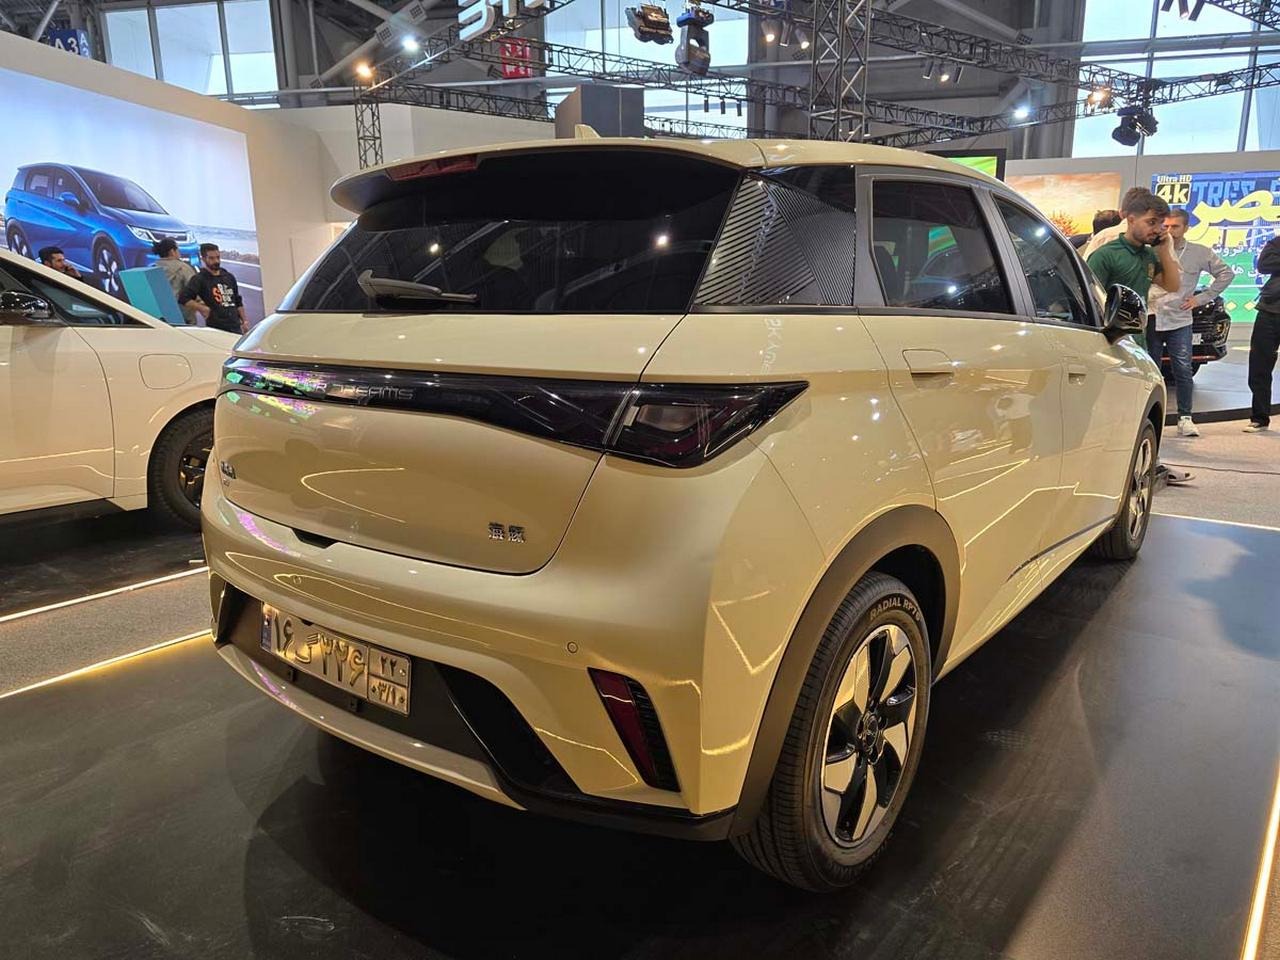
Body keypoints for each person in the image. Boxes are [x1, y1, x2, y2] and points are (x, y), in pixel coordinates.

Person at [1087, 188, 1193, 484]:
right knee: (1107, 410)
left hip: (1139, 342)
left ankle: (1138, 467)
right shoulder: (1107, 254)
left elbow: (1172, 285)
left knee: (1136, 410)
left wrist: (1164, 248)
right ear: (1130, 219)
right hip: (1109, 342)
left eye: (1160, 224)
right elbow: (1090, 296)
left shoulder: (1149, 255)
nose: (1157, 229)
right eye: (1151, 222)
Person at [1147, 208, 1233, 438]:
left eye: (1175, 226)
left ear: (1186, 228)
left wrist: (1201, 298)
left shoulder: (1198, 252)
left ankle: (1185, 417)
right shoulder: (1150, 250)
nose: (1169, 230)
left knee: (1183, 369)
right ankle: (1148, 417)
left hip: (1180, 319)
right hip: (1151, 316)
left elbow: (1226, 273)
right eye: (1165, 226)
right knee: (1150, 369)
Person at [1245, 233, 1280, 432]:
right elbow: (1264, 265)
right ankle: (1259, 417)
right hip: (1269, 311)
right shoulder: (1277, 242)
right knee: (1259, 365)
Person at [179, 243, 246, 334]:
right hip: (216, 327)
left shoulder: (229, 277)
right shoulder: (200, 279)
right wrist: (202, 308)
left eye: (218, 257)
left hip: (235, 326)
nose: (216, 261)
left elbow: (237, 301)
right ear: (203, 259)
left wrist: (244, 321)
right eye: (211, 258)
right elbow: (184, 298)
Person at [152, 238, 199, 325]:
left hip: (157, 317)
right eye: (178, 249)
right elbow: (195, 291)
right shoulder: (183, 268)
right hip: (182, 318)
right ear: (172, 251)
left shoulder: (152, 268)